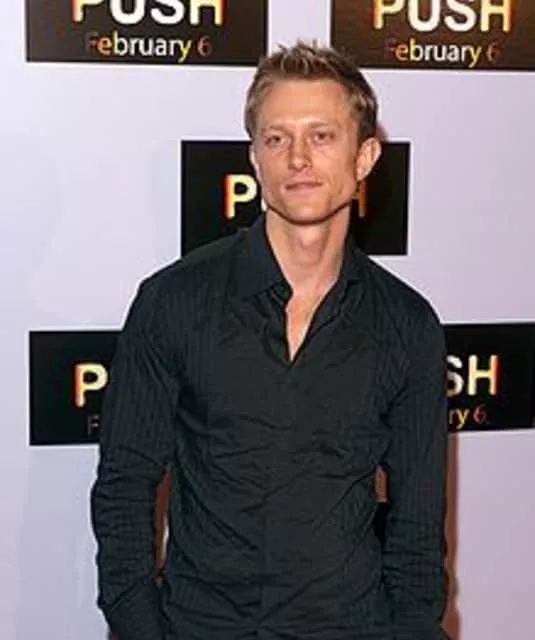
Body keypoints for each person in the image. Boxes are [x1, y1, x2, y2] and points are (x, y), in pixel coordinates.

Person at [91, 41, 449, 640]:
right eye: (277, 138)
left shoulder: (407, 325)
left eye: (322, 136)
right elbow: (123, 488)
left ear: (365, 156)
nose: (298, 158)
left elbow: (417, 529)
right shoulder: (173, 302)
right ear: (255, 158)